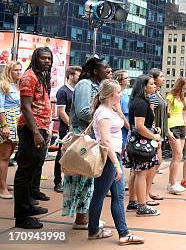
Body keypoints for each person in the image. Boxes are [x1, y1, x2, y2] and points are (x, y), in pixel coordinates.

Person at [88, 79, 144, 245]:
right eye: (118, 92)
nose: (121, 94)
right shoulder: (103, 113)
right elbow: (105, 141)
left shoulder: (108, 110)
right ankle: (121, 233)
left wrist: (118, 109)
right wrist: (115, 164)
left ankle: (100, 231)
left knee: (110, 195)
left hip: (113, 156)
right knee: (108, 196)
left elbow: (126, 126)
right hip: (109, 158)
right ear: (111, 95)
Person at [62, 56, 112, 229]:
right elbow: (83, 111)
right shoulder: (84, 84)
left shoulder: (96, 86)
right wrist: (104, 115)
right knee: (81, 178)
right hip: (80, 139)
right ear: (94, 71)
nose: (108, 70)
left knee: (88, 178)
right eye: (105, 68)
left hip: (89, 138)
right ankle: (81, 219)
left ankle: (85, 218)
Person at [14, 48, 53, 229]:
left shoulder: (41, 76)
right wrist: (36, 133)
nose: (46, 61)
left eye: (49, 58)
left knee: (32, 170)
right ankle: (22, 217)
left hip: (41, 129)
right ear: (35, 58)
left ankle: (28, 206)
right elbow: (26, 108)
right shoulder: (29, 76)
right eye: (43, 58)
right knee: (24, 172)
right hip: (31, 130)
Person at [123, 75, 161, 216]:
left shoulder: (139, 101)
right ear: (144, 86)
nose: (154, 86)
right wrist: (154, 136)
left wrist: (153, 130)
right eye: (151, 84)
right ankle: (142, 206)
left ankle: (133, 202)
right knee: (141, 174)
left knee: (136, 172)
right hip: (141, 143)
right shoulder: (140, 103)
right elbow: (139, 126)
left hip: (137, 141)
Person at [53, 66, 81, 193]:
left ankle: (69, 180)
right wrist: (71, 125)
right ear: (70, 76)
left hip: (75, 129)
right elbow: (61, 112)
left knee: (73, 155)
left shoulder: (77, 91)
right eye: (78, 75)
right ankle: (58, 181)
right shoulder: (63, 91)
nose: (80, 78)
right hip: (66, 129)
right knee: (62, 154)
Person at [0, 62, 22, 199]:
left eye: (20, 70)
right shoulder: (3, 85)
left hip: (15, 121)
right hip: (7, 121)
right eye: (16, 70)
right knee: (4, 156)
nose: (19, 72)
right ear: (9, 71)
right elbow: (0, 108)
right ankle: (2, 188)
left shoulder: (15, 85)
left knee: (8, 155)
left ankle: (2, 183)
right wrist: (4, 126)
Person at [165, 77, 186, 194]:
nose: (185, 90)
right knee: (177, 154)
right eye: (183, 88)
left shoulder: (182, 97)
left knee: (179, 156)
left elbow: (183, 114)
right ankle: (171, 183)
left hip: (181, 126)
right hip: (173, 126)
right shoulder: (170, 96)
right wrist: (168, 130)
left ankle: (173, 182)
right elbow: (166, 114)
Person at [146, 68, 166, 202]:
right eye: (162, 77)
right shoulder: (151, 96)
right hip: (152, 131)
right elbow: (151, 113)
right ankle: (144, 193)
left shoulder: (157, 93)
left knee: (156, 162)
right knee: (151, 162)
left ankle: (147, 191)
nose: (164, 79)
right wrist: (153, 130)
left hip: (159, 131)